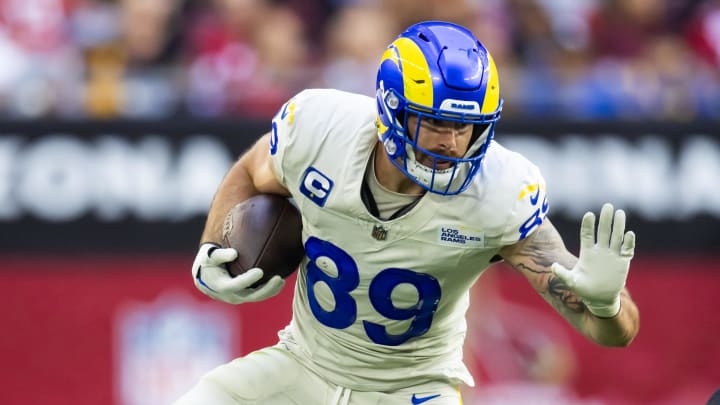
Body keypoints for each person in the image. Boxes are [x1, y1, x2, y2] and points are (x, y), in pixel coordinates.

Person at [175, 21, 639, 405]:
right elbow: (253, 171)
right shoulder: (322, 129)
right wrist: (214, 242)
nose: (451, 143)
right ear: (392, 110)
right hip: (302, 364)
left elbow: (613, 334)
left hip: (413, 390)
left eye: (466, 126)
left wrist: (607, 305)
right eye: (436, 121)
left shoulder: (498, 191)